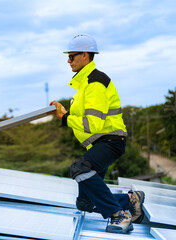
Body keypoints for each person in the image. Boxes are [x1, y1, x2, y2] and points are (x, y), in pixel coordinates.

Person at [50, 34, 145, 234]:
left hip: (110, 141)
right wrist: (64, 113)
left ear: (85, 55)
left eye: (71, 56)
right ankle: (130, 200)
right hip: (100, 144)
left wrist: (66, 119)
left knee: (79, 167)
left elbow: (92, 123)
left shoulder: (95, 83)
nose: (68, 61)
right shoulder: (84, 84)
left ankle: (119, 215)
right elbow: (79, 117)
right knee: (85, 203)